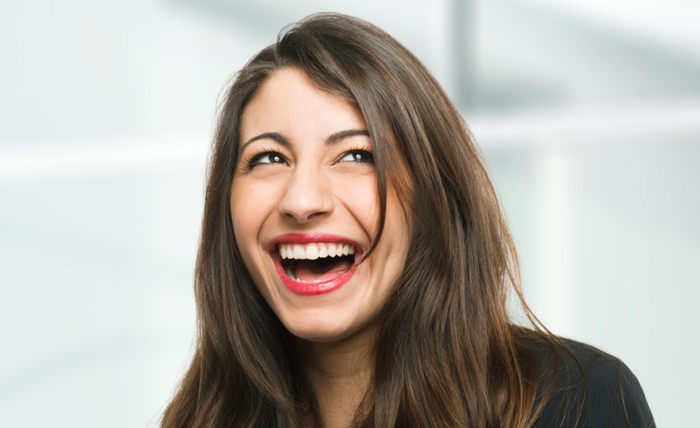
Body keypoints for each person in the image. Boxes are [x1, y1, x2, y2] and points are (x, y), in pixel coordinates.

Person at [162, 12, 654, 428]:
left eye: (356, 154)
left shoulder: (577, 402)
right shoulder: (196, 418)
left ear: (430, 196)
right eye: (269, 159)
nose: (302, 199)